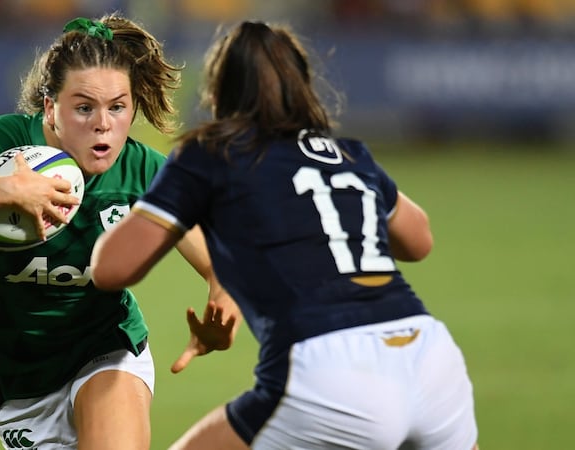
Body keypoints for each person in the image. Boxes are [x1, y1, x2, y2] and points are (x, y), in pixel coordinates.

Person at [91, 20, 479, 450]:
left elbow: (111, 269)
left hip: (330, 370)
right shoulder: (350, 154)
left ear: (219, 91)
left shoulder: (211, 156)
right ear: (303, 86)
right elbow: (419, 241)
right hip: (430, 358)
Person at [0, 13, 238, 450]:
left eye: (118, 107)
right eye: (84, 107)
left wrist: (223, 307)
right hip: (18, 388)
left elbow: (222, 260)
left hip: (107, 349)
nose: (103, 124)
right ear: (50, 108)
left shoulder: (141, 171)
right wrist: (5, 190)